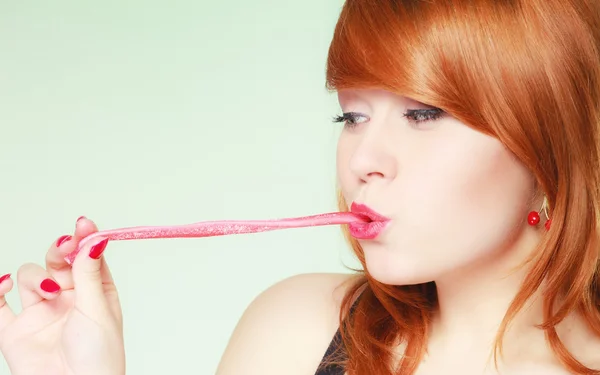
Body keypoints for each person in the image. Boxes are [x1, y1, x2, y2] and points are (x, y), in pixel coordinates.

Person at [1, 0, 600, 374]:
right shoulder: (297, 330)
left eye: (423, 114)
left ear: (550, 142)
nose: (363, 158)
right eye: (352, 115)